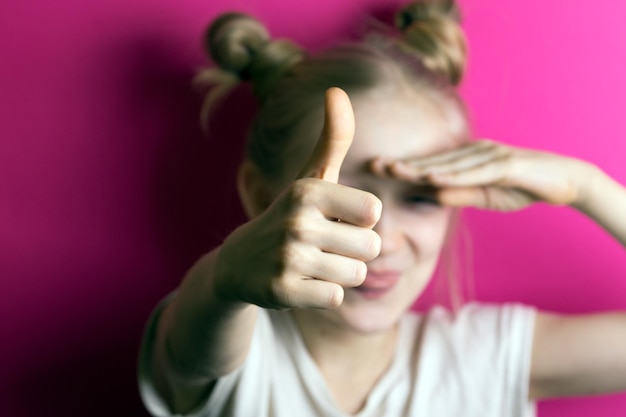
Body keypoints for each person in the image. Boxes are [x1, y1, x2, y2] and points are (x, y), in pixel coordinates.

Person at [137, 1, 626, 416]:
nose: (381, 239)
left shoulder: (486, 356)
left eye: (420, 198)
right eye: (342, 197)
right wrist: (224, 277)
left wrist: (587, 186)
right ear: (263, 196)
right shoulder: (236, 345)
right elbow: (196, 338)